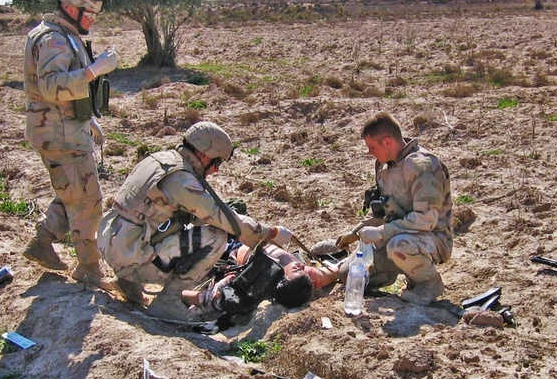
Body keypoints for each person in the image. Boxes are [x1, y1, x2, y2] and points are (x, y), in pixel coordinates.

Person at [97, 121, 295, 321]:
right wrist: (272, 233)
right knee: (217, 237)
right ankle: (167, 301)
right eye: (216, 163)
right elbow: (231, 223)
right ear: (203, 155)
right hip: (130, 253)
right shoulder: (181, 179)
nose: (216, 170)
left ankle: (127, 281)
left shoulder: (160, 160)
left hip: (112, 241)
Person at [21, 0, 119, 290]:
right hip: (59, 133)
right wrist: (95, 70)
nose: (92, 18)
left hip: (65, 129)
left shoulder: (65, 35)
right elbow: (51, 86)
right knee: (88, 199)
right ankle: (89, 269)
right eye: (88, 11)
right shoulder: (53, 39)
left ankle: (42, 242)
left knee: (72, 191)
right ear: (69, 6)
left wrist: (87, 120)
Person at [336, 112, 453, 305]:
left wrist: (382, 232)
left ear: (388, 142)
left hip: (432, 239)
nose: (370, 152)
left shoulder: (422, 166)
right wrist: (355, 233)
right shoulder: (384, 166)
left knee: (399, 246)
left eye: (372, 147)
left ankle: (430, 283)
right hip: (397, 236)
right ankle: (402, 271)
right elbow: (385, 211)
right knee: (348, 274)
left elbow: (426, 220)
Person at [182, 240, 338, 316]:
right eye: (303, 270)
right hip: (248, 235)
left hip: (227, 249)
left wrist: (173, 295)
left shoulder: (254, 283)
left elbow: (211, 299)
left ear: (283, 280)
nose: (301, 266)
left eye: (297, 270)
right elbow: (334, 272)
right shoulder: (307, 279)